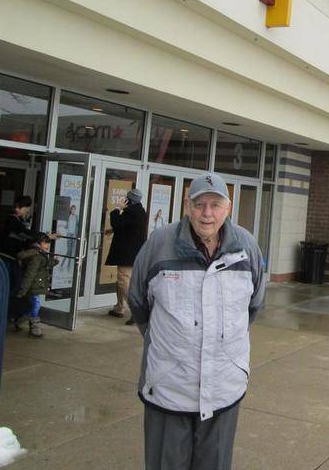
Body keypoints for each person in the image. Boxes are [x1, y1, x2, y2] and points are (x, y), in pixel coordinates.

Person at [128, 172, 265, 470]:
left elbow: (253, 306)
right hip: (169, 388)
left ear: (228, 208)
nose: (207, 213)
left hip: (223, 388)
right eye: (199, 204)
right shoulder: (159, 243)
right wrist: (169, 344)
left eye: (215, 205)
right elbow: (138, 301)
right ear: (187, 207)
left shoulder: (247, 246)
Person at [0, 196, 55, 321]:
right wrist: (45, 236)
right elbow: (24, 233)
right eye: (25, 208)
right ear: (18, 207)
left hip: (13, 258)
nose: (26, 211)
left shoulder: (19, 221)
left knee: (16, 285)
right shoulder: (12, 220)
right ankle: (6, 313)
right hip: (6, 257)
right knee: (13, 285)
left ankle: (10, 313)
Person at [105, 188, 147, 323]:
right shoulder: (140, 211)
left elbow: (116, 222)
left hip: (127, 253)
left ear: (130, 199)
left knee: (123, 280)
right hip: (134, 252)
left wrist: (117, 208)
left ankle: (136, 310)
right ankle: (119, 307)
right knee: (122, 280)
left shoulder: (131, 211)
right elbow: (126, 226)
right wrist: (112, 230)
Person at [14, 233, 59, 338]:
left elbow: (45, 265)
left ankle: (20, 320)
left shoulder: (40, 253)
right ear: (38, 243)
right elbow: (30, 274)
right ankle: (34, 328)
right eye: (45, 243)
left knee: (34, 305)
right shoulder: (36, 255)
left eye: (48, 243)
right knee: (36, 304)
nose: (47, 245)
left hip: (35, 284)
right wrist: (23, 289)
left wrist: (55, 261)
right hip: (33, 285)